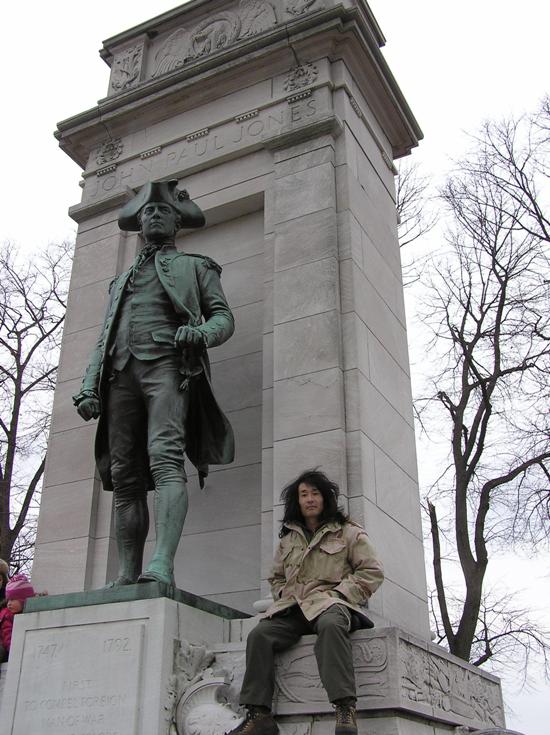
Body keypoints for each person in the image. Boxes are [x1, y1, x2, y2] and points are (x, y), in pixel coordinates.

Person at [73, 179, 235, 587]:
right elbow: (104, 336)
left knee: (165, 458)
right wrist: (90, 384)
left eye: (163, 210)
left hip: (167, 368)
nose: (155, 215)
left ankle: (161, 564)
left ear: (177, 221)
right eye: (148, 211)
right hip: (119, 377)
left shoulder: (196, 267)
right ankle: (127, 572)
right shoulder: (120, 281)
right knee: (125, 475)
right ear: (139, 223)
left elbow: (223, 318)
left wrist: (200, 334)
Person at [229, 470, 384, 735]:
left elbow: (372, 572)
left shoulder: (349, 532)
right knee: (260, 635)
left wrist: (341, 595)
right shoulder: (288, 539)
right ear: (296, 501)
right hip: (294, 608)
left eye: (315, 493)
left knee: (331, 626)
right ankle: (259, 715)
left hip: (331, 604)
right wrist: (282, 596)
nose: (310, 499)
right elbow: (276, 577)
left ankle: (345, 708)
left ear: (325, 498)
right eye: (304, 494)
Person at [0, 574, 35, 662]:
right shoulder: (7, 615)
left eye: (12, 600)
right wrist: (12, 650)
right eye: (8, 600)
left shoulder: (26, 614)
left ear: (23, 601)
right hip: (6, 646)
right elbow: (7, 634)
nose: (9, 603)